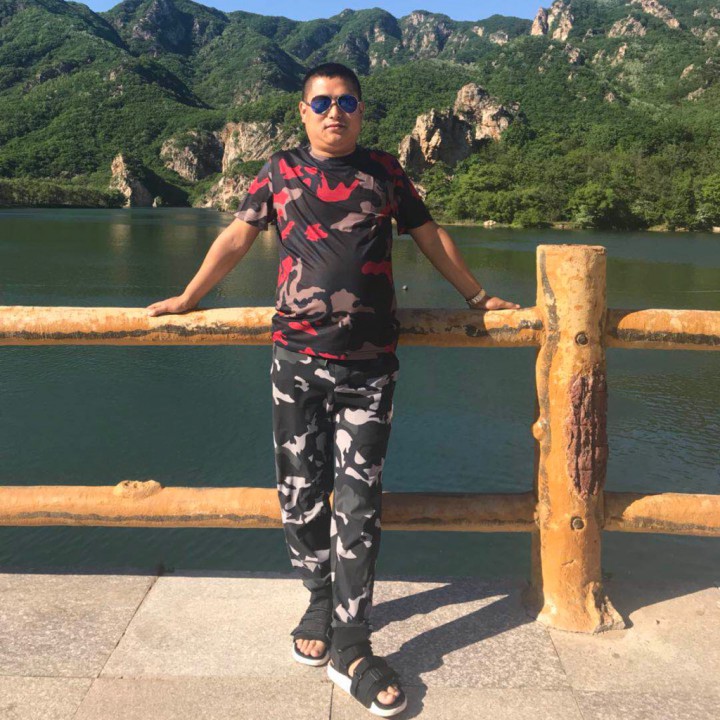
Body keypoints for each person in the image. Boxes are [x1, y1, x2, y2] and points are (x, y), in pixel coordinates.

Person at [147, 62, 521, 717]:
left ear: (361, 111)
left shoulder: (384, 172)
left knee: (358, 500)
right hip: (296, 360)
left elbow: (429, 234)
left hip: (370, 368)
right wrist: (188, 296)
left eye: (346, 102)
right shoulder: (278, 171)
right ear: (303, 111)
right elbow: (237, 237)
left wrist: (477, 294)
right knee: (299, 491)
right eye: (321, 102)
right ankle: (319, 598)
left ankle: (351, 642)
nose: (334, 113)